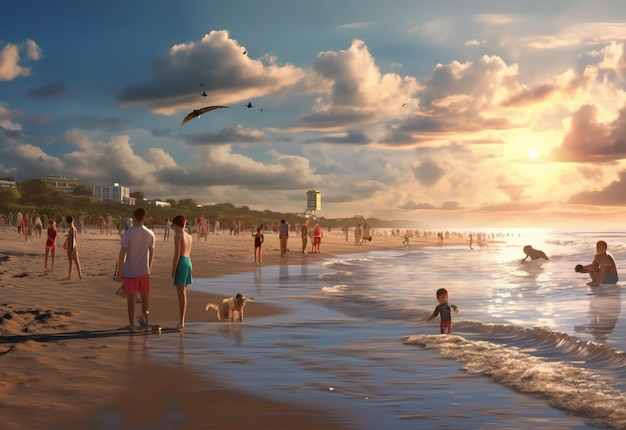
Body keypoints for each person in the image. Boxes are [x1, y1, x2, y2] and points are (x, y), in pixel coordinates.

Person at [115, 208, 155, 331]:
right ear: (144, 217)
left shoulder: (129, 233)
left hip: (130, 270)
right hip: (144, 271)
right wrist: (149, 269)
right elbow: (152, 254)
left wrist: (118, 273)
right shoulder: (150, 234)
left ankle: (131, 324)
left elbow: (122, 254)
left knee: (131, 299)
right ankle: (146, 320)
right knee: (145, 297)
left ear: (134, 218)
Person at [171, 215, 192, 331]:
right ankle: (182, 320)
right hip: (188, 261)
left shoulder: (178, 235)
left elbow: (177, 254)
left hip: (182, 262)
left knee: (181, 294)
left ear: (176, 225)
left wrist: (173, 269)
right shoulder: (189, 236)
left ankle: (181, 321)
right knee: (184, 293)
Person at [65, 216, 83, 280]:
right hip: (72, 246)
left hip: (71, 246)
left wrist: (72, 249)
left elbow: (73, 240)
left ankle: (71, 276)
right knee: (76, 262)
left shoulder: (72, 229)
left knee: (73, 262)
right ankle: (79, 276)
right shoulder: (73, 228)